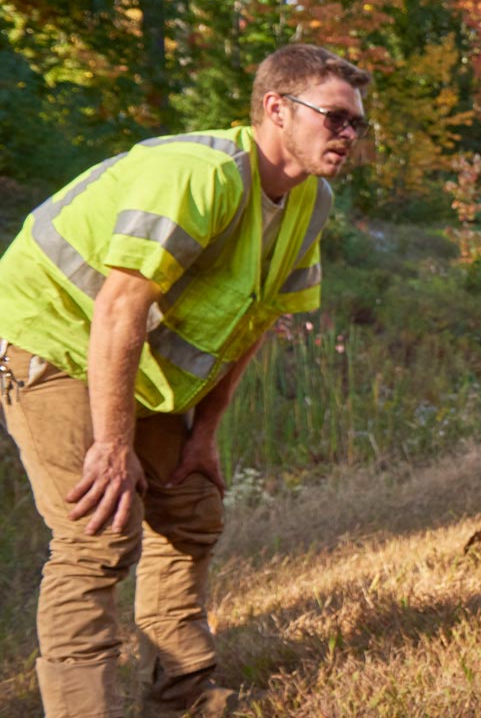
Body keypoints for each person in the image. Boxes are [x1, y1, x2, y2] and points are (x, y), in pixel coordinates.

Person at [0, 44, 369, 717]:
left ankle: (183, 698)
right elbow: (119, 307)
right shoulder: (198, 174)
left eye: (357, 125)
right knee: (98, 532)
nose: (348, 135)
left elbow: (256, 319)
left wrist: (207, 433)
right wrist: (113, 449)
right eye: (335, 118)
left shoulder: (312, 200)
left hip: (135, 365)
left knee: (192, 507)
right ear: (276, 108)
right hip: (53, 341)